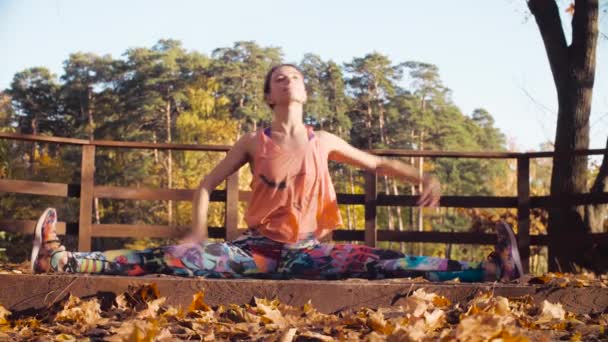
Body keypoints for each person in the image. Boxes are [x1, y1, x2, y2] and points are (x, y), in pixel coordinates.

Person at [31, 64, 523, 282]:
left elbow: (376, 163)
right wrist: (200, 231)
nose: (288, 81)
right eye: (279, 78)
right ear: (269, 95)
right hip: (257, 252)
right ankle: (62, 261)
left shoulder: (323, 140)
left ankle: (489, 271)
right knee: (173, 257)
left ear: (305, 93)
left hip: (312, 253)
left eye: (296, 76)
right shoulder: (252, 142)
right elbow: (206, 184)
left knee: (384, 259)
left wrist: (423, 179)